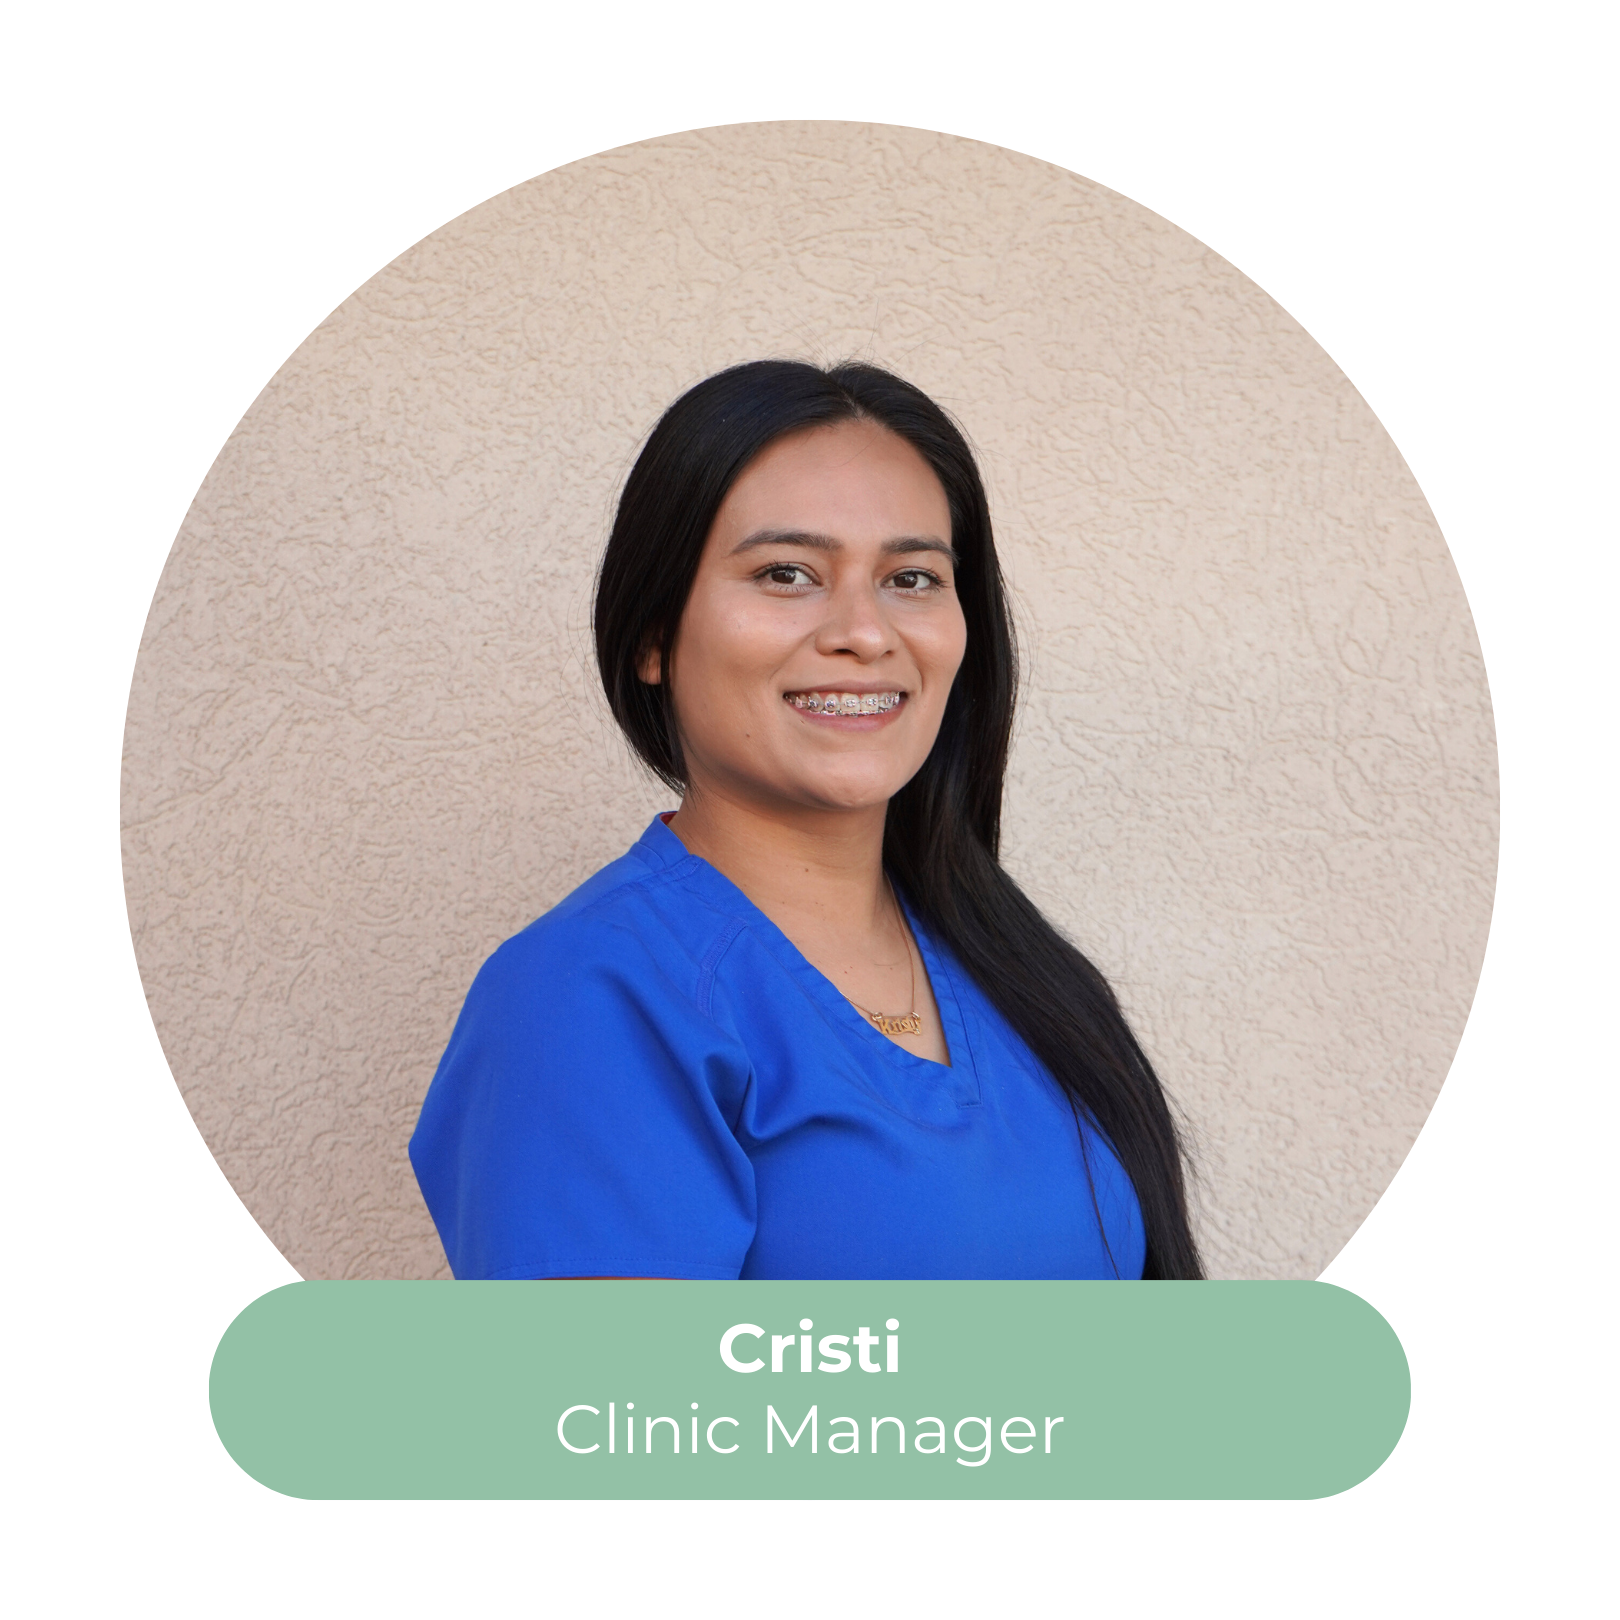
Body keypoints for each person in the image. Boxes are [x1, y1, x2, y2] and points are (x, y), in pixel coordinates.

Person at [408, 360, 1202, 1281]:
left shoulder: (1014, 970)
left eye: (912, 578)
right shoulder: (584, 998)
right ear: (652, 637)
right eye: (786, 573)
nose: (865, 631)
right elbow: (629, 1421)